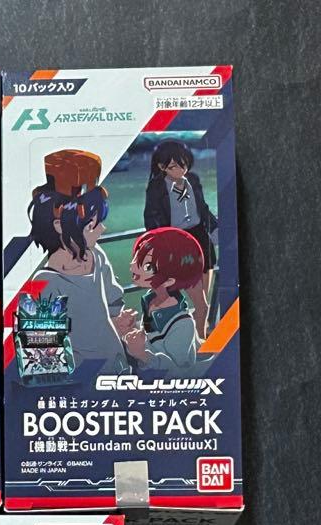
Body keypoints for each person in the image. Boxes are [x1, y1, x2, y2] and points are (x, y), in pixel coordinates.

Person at [28, 149, 133, 377]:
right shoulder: (43, 283)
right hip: (80, 379)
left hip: (118, 365)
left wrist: (121, 323)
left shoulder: (97, 255)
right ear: (59, 225)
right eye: (92, 225)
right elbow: (41, 361)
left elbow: (114, 303)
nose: (102, 229)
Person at [143, 139, 218, 338]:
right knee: (199, 304)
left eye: (184, 164)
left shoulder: (193, 179)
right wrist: (166, 245)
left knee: (203, 300)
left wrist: (216, 230)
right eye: (174, 166)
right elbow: (151, 220)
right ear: (162, 167)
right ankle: (197, 341)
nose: (181, 169)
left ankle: (198, 337)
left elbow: (203, 209)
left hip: (201, 239)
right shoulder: (157, 187)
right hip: (177, 243)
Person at [121, 228, 207, 374]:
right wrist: (129, 330)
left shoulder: (183, 324)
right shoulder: (151, 300)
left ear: (169, 281)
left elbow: (180, 373)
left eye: (147, 266)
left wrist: (143, 355)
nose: (132, 266)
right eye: (136, 257)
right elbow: (150, 343)